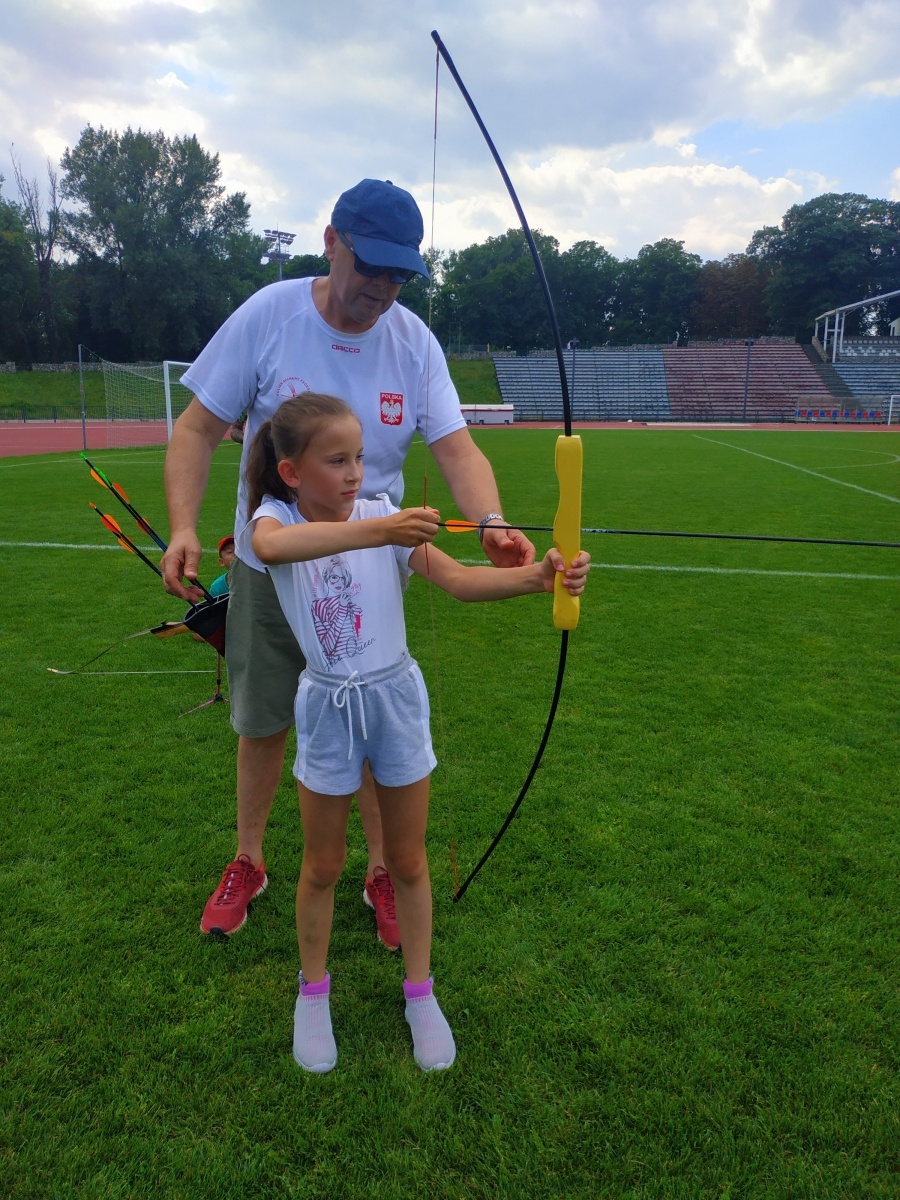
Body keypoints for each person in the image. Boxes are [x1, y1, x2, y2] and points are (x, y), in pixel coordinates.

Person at [162, 178, 536, 942]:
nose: (384, 288)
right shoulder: (270, 314)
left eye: (401, 274)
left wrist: (491, 522)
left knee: (365, 716)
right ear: (332, 242)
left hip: (374, 572)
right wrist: (183, 527)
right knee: (263, 720)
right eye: (372, 267)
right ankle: (248, 858)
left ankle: (381, 872)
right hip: (271, 572)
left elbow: (456, 447)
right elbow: (197, 428)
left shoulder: (413, 341)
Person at [239, 393, 591, 1072]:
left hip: (395, 701)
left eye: (359, 457)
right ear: (291, 472)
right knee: (322, 865)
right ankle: (312, 994)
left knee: (407, 860)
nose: (354, 473)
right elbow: (272, 548)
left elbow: (457, 580)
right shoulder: (277, 518)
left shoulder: (381, 516)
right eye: (336, 460)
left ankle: (421, 994)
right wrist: (382, 530)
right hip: (329, 707)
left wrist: (540, 578)